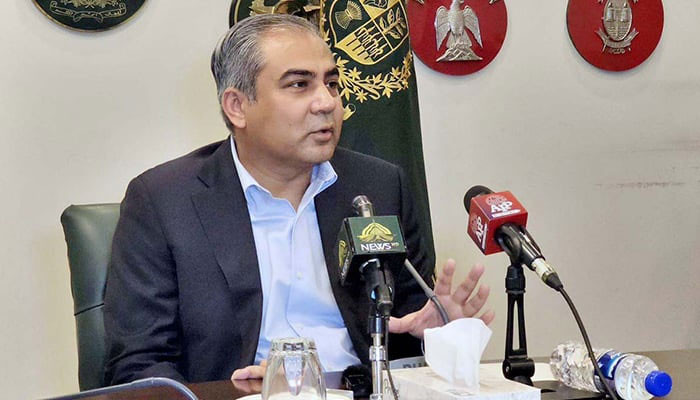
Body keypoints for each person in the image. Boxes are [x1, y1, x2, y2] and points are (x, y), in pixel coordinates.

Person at [103, 14, 494, 385]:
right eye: (299, 85)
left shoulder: (378, 185)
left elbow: (401, 335)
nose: (327, 103)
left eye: (332, 83)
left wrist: (437, 334)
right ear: (237, 106)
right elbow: (139, 365)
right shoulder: (164, 202)